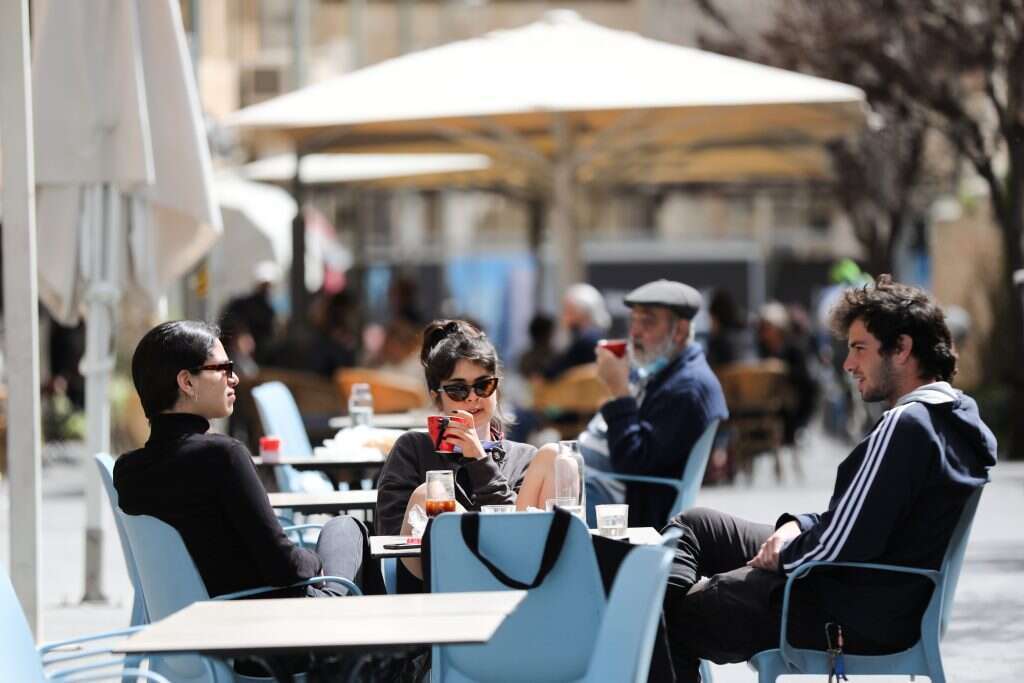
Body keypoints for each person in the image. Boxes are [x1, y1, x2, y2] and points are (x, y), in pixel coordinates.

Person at [662, 275, 997, 682]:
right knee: (696, 527)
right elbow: (859, 520)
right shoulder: (954, 415)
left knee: (668, 618)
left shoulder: (907, 425)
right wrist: (795, 526)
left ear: (902, 348)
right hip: (872, 594)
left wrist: (784, 554)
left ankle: (659, 626)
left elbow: (843, 542)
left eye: (859, 348)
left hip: (843, 607)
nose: (848, 364)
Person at [114, 321, 375, 604]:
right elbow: (285, 567)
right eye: (223, 369)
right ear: (187, 382)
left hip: (193, 620)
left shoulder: (127, 471)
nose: (235, 378)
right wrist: (315, 559)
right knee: (346, 527)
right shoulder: (223, 456)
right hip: (272, 619)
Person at [376, 319, 559, 587]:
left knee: (554, 455)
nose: (472, 398)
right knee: (431, 493)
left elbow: (517, 534)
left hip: (509, 580)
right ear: (436, 396)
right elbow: (392, 540)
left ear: (497, 388)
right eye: (458, 389)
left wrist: (479, 460)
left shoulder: (525, 457)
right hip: (430, 583)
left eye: (483, 385)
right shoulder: (412, 448)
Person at [586, 279, 729, 528]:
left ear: (680, 331)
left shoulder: (688, 388)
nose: (635, 332)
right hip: (608, 489)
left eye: (647, 322)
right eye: (633, 321)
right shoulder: (666, 371)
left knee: (546, 490)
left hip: (624, 509)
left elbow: (632, 462)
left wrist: (619, 391)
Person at [543, 283, 611, 379]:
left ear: (580, 313)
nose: (564, 316)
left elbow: (551, 372)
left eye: (567, 311)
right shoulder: (598, 337)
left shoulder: (586, 342)